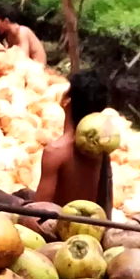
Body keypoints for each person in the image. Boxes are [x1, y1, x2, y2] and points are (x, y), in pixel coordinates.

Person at [34, 70, 113, 213]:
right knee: (23, 193)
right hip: (89, 219)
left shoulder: (56, 152)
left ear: (67, 101)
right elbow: (105, 201)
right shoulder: (100, 151)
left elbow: (39, 209)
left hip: (61, 221)